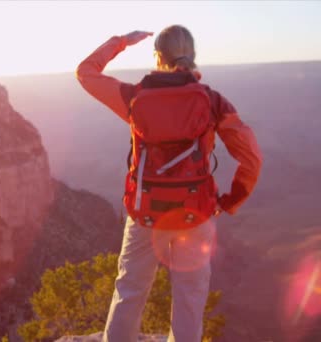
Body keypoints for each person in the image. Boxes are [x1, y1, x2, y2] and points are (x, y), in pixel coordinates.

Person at [76, 26, 262, 342]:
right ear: (191, 56)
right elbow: (251, 159)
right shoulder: (213, 103)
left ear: (157, 57)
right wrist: (228, 201)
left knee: (130, 291)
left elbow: (86, 73)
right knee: (189, 299)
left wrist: (121, 42)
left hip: (145, 214)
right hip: (196, 215)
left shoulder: (134, 98)